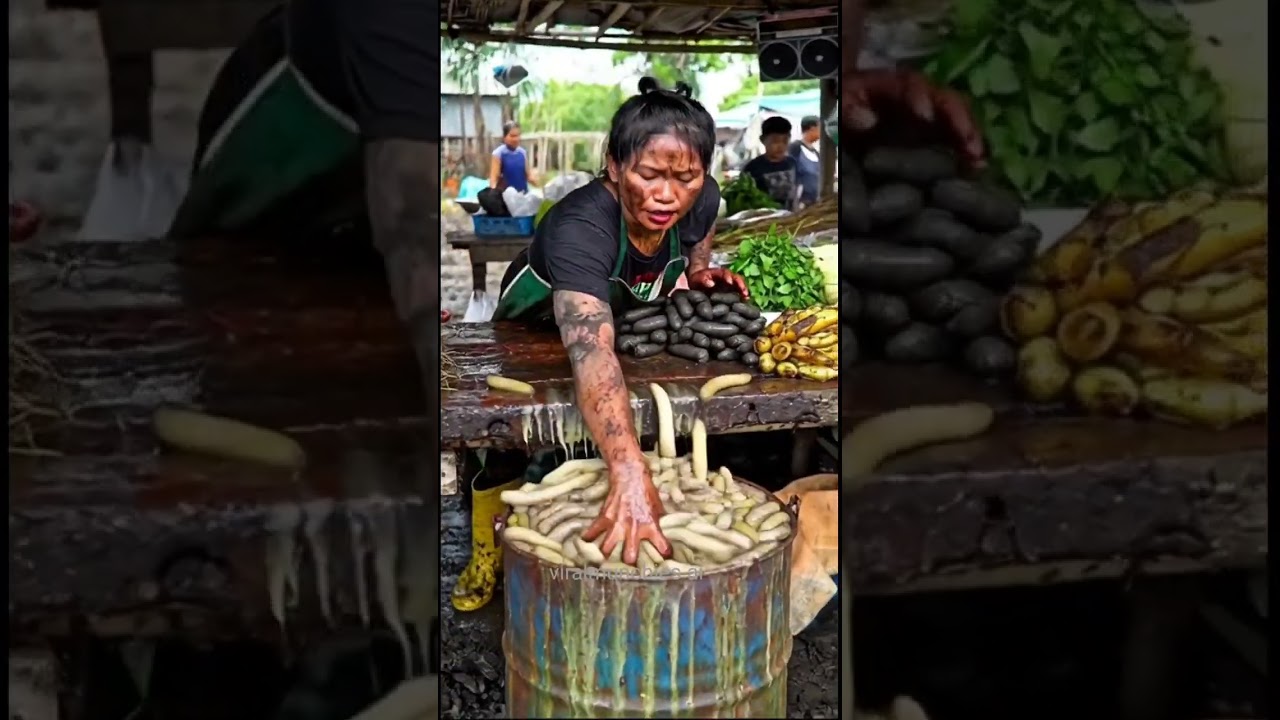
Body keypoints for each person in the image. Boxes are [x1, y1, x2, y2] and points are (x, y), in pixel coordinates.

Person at [461, 78, 747, 588]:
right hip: (535, 327)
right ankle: (488, 549)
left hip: (613, 328)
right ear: (614, 166)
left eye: (686, 177)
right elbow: (591, 352)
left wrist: (700, 271)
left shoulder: (700, 198)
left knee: (601, 434)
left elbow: (699, 230)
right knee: (507, 434)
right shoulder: (580, 226)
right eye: (649, 175)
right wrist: (629, 469)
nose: (667, 195)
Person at [740, 116, 800, 209]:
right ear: (762, 140)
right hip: (763, 219)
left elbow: (795, 192)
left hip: (790, 218)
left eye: (785, 141)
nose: (781, 146)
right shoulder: (752, 168)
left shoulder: (792, 163)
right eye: (775, 141)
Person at [488, 121, 538, 192]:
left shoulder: (522, 152)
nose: (516, 139)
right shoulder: (498, 154)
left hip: (523, 195)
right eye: (512, 136)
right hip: (506, 198)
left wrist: (541, 186)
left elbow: (529, 176)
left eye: (518, 135)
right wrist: (493, 196)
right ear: (504, 137)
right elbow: (493, 180)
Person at [789, 115, 822, 207]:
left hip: (815, 202)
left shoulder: (816, 153)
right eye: (820, 127)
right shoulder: (795, 148)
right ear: (812, 128)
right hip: (800, 202)